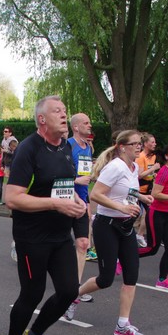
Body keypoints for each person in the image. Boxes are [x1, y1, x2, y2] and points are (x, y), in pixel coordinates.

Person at [1, 96, 85, 335]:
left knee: (69, 290)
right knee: (32, 294)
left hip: (60, 235)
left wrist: (75, 202)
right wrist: (55, 204)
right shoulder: (29, 149)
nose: (63, 115)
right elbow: (12, 198)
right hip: (32, 237)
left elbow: (63, 185)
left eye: (64, 110)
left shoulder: (65, 148)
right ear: (42, 119)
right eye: (57, 111)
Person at [68, 130, 152, 335]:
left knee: (131, 275)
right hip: (107, 225)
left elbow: (127, 190)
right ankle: (73, 296)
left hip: (126, 227)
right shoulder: (115, 167)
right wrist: (121, 208)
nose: (139, 147)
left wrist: (142, 197)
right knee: (105, 279)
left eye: (140, 143)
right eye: (134, 144)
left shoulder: (133, 167)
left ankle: (123, 324)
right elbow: (96, 194)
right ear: (122, 147)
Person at [137, 143, 168, 290]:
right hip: (157, 214)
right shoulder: (164, 172)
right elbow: (155, 194)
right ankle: (123, 257)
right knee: (152, 248)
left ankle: (162, 280)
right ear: (166, 156)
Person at [67, 113, 96, 284]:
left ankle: (75, 286)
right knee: (57, 242)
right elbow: (56, 173)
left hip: (82, 201)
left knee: (83, 243)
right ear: (76, 127)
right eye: (86, 123)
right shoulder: (67, 145)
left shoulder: (88, 148)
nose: (90, 125)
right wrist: (76, 180)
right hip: (66, 200)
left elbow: (85, 172)